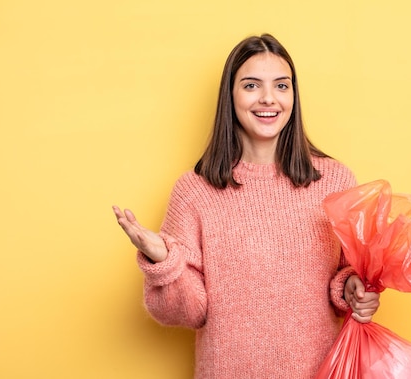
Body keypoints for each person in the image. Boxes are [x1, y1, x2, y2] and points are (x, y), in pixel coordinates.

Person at [112, 33, 380, 379]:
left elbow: (347, 274)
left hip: (320, 372)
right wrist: (165, 261)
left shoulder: (335, 182)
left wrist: (355, 290)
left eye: (282, 86)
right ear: (231, 95)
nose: (269, 98)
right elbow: (187, 312)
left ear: (293, 97)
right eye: (251, 85)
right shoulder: (195, 191)